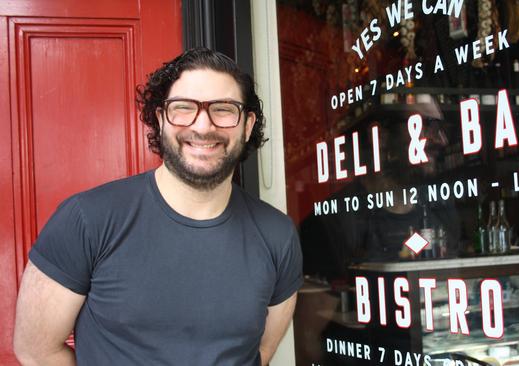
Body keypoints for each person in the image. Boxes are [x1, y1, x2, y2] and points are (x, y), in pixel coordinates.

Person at [13, 48, 303, 366]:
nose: (204, 126)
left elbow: (259, 354)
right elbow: (37, 351)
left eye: (223, 109)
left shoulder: (278, 235)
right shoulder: (86, 220)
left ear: (247, 125)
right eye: (183, 108)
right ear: (162, 119)